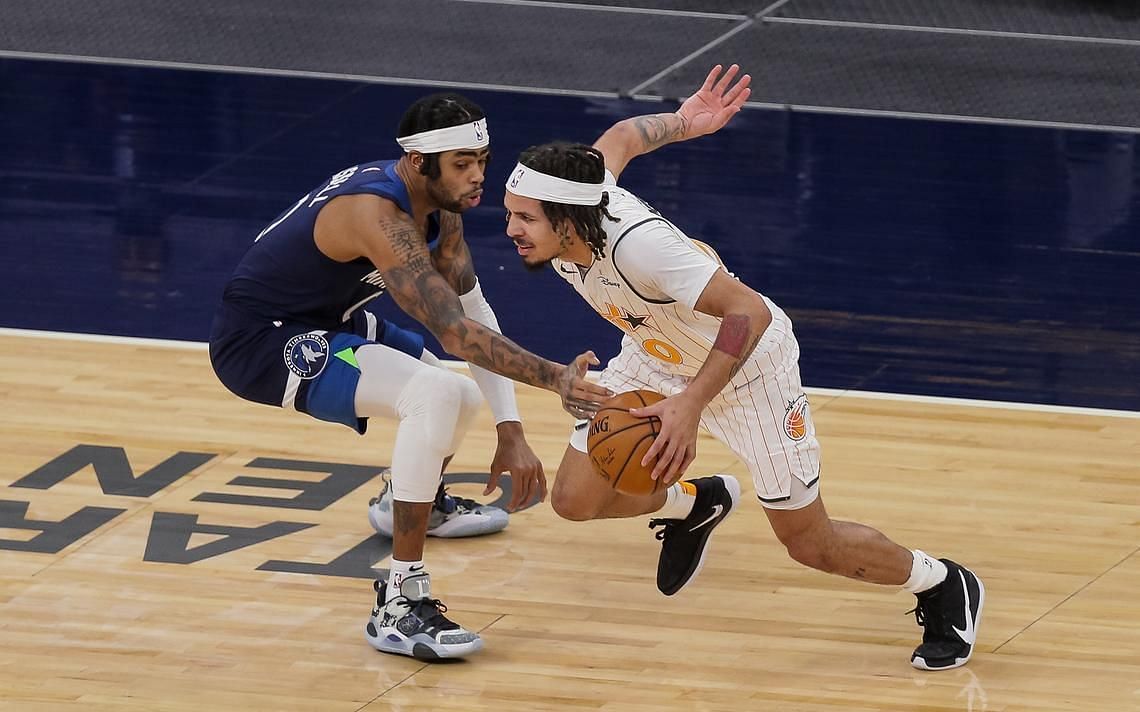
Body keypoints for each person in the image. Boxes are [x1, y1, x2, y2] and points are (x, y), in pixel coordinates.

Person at [502, 65, 985, 671]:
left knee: (810, 545)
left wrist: (689, 406)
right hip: (658, 356)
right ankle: (695, 504)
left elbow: (748, 312)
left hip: (751, 367)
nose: (510, 229)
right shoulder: (574, 197)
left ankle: (941, 583)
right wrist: (683, 120)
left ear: (568, 221)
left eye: (524, 219)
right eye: (511, 213)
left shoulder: (642, 248)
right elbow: (622, 137)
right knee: (575, 499)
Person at [208, 93, 612, 661]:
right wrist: (557, 380)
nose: (477, 179)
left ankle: (405, 499)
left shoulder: (441, 206)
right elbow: (457, 336)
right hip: (265, 340)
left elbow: (474, 312)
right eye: (462, 165)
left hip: (327, 318)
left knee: (462, 397)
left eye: (482, 160)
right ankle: (398, 603)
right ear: (420, 163)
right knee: (437, 391)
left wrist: (512, 428)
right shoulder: (378, 215)